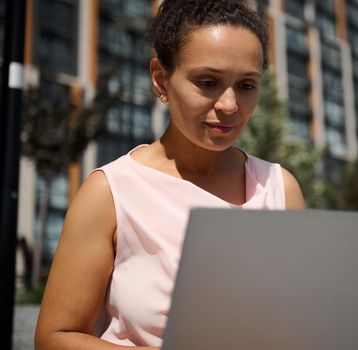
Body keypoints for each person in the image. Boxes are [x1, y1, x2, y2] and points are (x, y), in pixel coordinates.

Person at [35, 0, 305, 348]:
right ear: (161, 79)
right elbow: (54, 339)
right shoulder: (110, 192)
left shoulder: (279, 188)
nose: (229, 105)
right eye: (208, 82)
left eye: (247, 85)